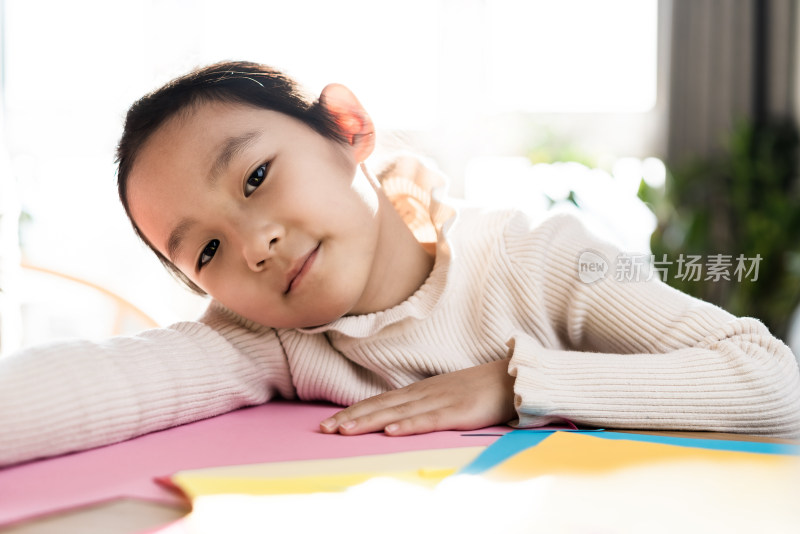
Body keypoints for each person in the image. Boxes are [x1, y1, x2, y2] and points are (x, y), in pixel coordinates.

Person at [1, 61, 798, 467]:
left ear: (346, 127)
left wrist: (515, 383)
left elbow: (773, 381)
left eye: (254, 178)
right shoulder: (269, 334)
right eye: (206, 251)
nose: (253, 245)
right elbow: (96, 381)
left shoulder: (545, 259)